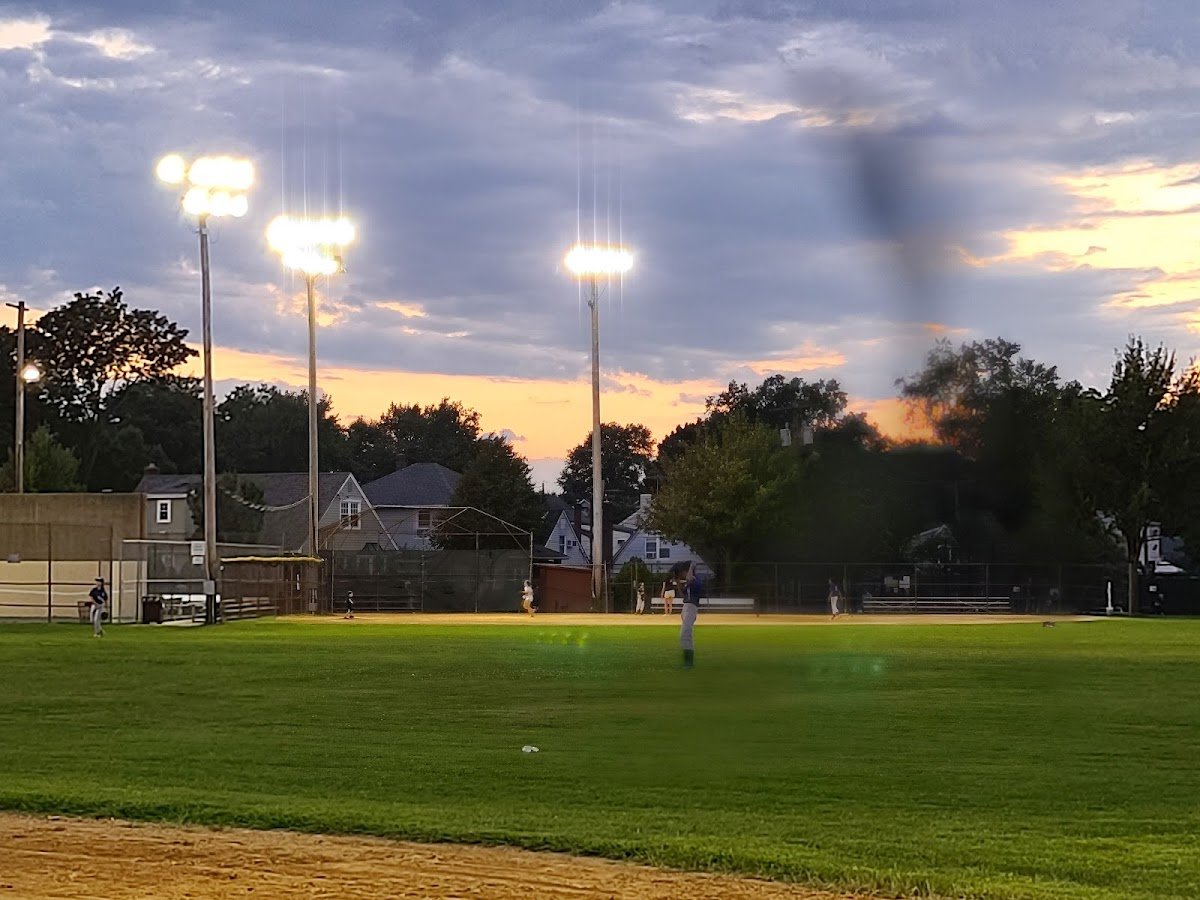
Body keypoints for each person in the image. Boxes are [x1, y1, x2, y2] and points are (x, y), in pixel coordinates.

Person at [675, 561, 700, 667]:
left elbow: (690, 578)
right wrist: (678, 585)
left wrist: (691, 566)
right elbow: (684, 595)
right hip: (686, 607)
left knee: (685, 634)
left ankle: (689, 663)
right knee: (686, 634)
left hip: (691, 607)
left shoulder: (695, 579)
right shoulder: (690, 582)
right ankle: (687, 662)